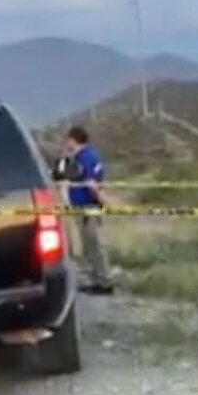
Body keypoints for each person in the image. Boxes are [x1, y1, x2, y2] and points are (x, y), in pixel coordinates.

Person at [62, 126, 114, 295]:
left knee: (95, 245)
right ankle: (96, 280)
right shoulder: (83, 156)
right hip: (82, 207)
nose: (66, 143)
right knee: (89, 246)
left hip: (88, 207)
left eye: (67, 140)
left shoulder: (85, 158)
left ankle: (104, 282)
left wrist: (101, 201)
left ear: (73, 139)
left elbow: (91, 184)